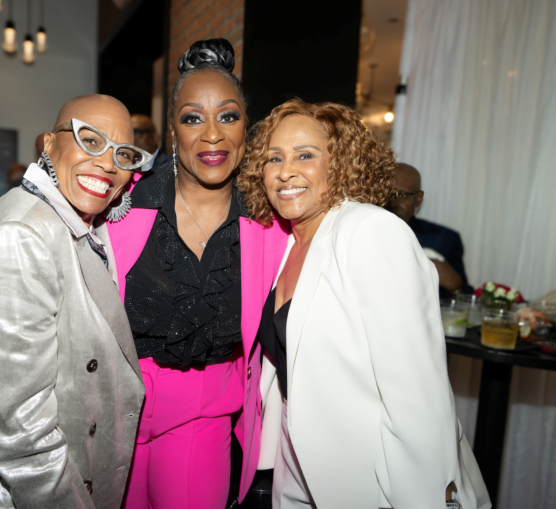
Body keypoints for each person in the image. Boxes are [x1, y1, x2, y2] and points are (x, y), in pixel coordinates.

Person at [239, 99, 489, 508]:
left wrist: (423, 496)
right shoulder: (287, 243)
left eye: (306, 155)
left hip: (374, 478)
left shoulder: (370, 231)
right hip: (298, 469)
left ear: (340, 163)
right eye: (273, 158)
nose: (285, 171)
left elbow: (416, 392)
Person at [107, 39, 289, 509]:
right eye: (193, 118)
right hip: (108, 407)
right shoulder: (122, 203)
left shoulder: (271, 222)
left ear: (247, 131)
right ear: (172, 131)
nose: (212, 135)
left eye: (228, 116)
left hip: (201, 412)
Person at [0, 94, 151, 509]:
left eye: (123, 154)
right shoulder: (21, 235)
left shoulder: (80, 224)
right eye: (90, 141)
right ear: (48, 144)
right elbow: (18, 429)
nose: (108, 164)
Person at [387, 163, 473, 298]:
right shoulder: (357, 233)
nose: (391, 202)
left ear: (418, 199)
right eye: (384, 193)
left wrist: (456, 286)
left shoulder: (444, 239)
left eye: (401, 194)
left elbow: (465, 300)